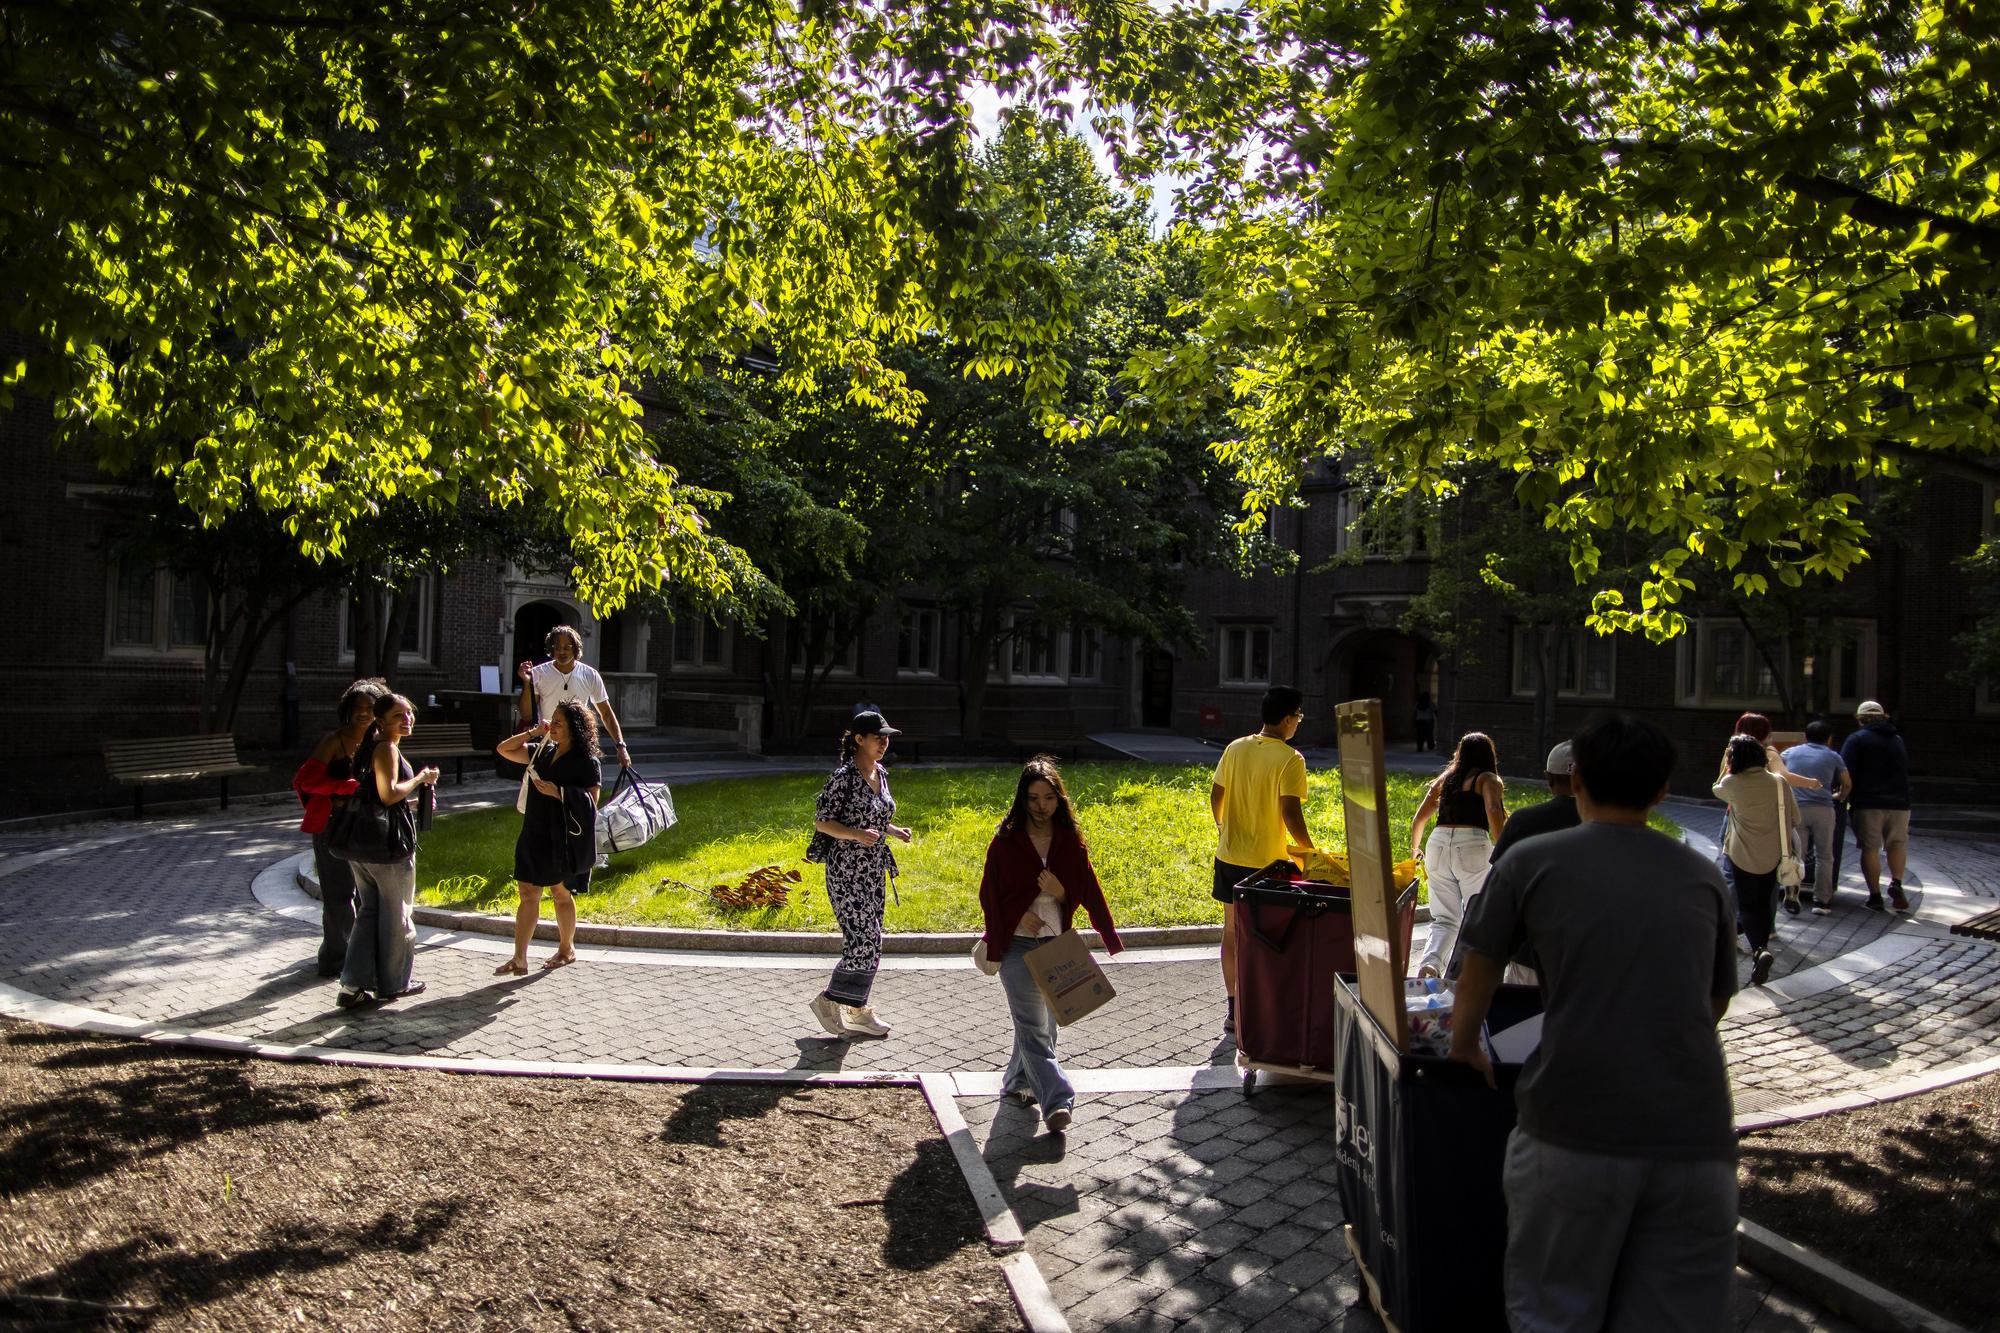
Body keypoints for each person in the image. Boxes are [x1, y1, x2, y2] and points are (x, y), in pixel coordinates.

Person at [1450, 714, 1739, 1333]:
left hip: (1571, 1125)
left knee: (1554, 1309)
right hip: (1698, 1135)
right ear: (1662, 791)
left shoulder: (1530, 859)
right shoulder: (1703, 874)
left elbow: (1478, 965)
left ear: (1574, 778)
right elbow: (1714, 1001)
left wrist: (1464, 1042)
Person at [977, 756, 1124, 1135]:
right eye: (1033, 798)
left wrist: (1063, 893)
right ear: (1021, 799)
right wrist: (1017, 914)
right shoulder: (1007, 840)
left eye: (1048, 798)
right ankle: (1058, 1101)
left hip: (1055, 943)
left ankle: (1016, 1082)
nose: (1041, 806)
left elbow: (1087, 887)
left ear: (1059, 799)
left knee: (1045, 1025)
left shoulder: (1069, 841)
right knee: (1032, 1026)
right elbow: (991, 893)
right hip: (1016, 944)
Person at [1210, 686, 1317, 1036]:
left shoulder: (1235, 748)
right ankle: (1261, 1006)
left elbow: (1217, 795)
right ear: (1287, 719)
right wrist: (1310, 850)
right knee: (1267, 936)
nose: (1298, 724)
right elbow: (1290, 812)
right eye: (1298, 717)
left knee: (1231, 933)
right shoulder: (1290, 759)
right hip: (1267, 864)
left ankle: (1233, 1007)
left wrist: (1223, 826)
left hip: (1229, 856)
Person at [807, 709, 912, 1038]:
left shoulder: (880, 772)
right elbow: (822, 822)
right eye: (878, 737)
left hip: (873, 869)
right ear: (859, 740)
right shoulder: (844, 777)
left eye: (886, 737)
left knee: (872, 940)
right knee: (862, 939)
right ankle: (829, 1001)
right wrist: (855, 834)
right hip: (847, 870)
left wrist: (893, 831)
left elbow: (875, 816)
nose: (884, 742)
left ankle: (856, 1008)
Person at [336, 693, 441, 1009]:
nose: (406, 719)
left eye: (409, 713)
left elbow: (378, 799)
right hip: (387, 850)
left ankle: (353, 985)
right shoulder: (386, 748)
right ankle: (395, 984)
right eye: (398, 716)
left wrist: (414, 803)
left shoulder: (375, 747)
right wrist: (422, 779)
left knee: (370, 913)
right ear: (381, 721)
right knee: (397, 915)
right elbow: (388, 793)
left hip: (366, 846)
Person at [1449, 739, 1579, 982]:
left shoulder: (1523, 822)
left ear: (1548, 778)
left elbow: (1497, 888)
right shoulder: (1609, 832)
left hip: (1529, 954)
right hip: (1587, 960)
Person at [492, 698, 604, 975]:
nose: (552, 726)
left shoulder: (586, 761)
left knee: (560, 892)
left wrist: (560, 793)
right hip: (533, 830)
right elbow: (504, 749)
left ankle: (567, 948)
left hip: (560, 837)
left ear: (574, 728)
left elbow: (592, 801)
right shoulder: (543, 750)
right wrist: (534, 732)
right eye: (551, 721)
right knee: (527, 892)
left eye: (558, 723)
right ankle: (519, 958)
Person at [292, 678, 388, 976]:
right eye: (357, 707)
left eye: (370, 708)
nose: (363, 713)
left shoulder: (382, 741)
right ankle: (335, 958)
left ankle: (361, 956)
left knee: (367, 896)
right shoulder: (335, 740)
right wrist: (345, 787)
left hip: (367, 827)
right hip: (333, 826)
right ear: (347, 709)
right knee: (337, 894)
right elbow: (304, 781)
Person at [1408, 732, 1506, 980]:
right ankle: (1471, 975)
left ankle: (1430, 966)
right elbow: (1494, 810)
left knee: (1444, 918)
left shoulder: (1446, 779)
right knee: (1478, 913)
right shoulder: (1488, 779)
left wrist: (1414, 848)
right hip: (1472, 845)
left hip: (1437, 845)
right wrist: (1505, 846)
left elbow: (1419, 818)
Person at [1715, 734, 1803, 986]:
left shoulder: (1732, 783)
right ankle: (1759, 945)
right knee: (1764, 902)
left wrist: (1725, 766)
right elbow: (1795, 818)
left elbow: (1716, 787)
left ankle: (1759, 950)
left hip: (1741, 853)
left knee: (1747, 904)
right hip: (1774, 852)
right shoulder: (1778, 783)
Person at [518, 624, 631, 774]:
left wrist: (621, 746)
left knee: (579, 794)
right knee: (546, 793)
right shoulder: (538, 673)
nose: (561, 652)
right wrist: (526, 683)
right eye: (557, 647)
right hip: (547, 745)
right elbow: (526, 715)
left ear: (576, 648)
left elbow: (606, 714)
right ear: (551, 649)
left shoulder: (590, 675)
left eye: (567, 647)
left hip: (579, 746)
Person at [1842, 700, 1913, 912]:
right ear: (1884, 717)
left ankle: (1875, 896)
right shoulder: (1897, 740)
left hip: (1868, 802)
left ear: (1860, 719)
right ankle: (1897, 883)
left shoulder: (1856, 740)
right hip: (1900, 802)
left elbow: (1846, 771)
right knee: (1897, 844)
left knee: (1870, 848)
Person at [1782, 721, 1851, 915]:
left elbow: (1778, 773)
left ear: (1805, 736)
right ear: (1829, 739)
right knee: (1825, 856)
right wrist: (1839, 797)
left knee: (1797, 856)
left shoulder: (1789, 753)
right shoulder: (1833, 756)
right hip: (1824, 809)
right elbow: (1847, 784)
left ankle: (1792, 895)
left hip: (1797, 809)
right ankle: (1822, 901)